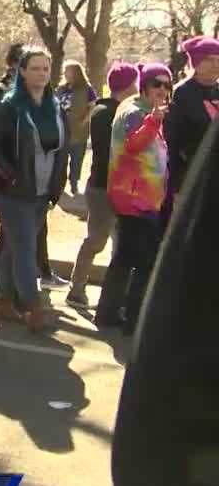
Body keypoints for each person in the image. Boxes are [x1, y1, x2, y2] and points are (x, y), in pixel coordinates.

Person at [0, 47, 69, 333]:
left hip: (43, 193)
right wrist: (12, 176)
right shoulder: (10, 106)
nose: (41, 74)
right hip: (13, 193)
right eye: (35, 68)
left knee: (14, 245)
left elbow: (62, 150)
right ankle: (33, 307)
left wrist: (58, 184)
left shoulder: (55, 107)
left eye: (45, 68)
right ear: (22, 71)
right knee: (25, 249)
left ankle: (3, 301)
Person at [95, 62, 173, 334]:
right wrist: (154, 121)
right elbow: (134, 144)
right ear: (144, 86)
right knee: (144, 261)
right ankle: (133, 318)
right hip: (133, 199)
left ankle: (107, 313)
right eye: (156, 84)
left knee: (125, 258)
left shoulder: (149, 111)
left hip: (146, 198)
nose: (162, 89)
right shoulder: (134, 111)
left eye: (167, 85)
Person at [67, 62, 139, 309]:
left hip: (123, 189)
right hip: (102, 188)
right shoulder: (107, 112)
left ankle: (115, 297)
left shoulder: (118, 109)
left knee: (121, 244)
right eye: (135, 84)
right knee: (97, 240)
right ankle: (76, 289)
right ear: (128, 86)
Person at [163, 36, 219, 219]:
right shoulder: (181, 94)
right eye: (209, 60)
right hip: (193, 178)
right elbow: (172, 143)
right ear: (195, 61)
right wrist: (177, 186)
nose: (216, 64)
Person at [57, 61, 97, 195]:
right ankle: (59, 186)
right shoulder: (61, 89)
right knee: (61, 160)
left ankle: (74, 184)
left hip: (79, 131)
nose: (65, 74)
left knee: (76, 160)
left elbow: (92, 106)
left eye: (68, 71)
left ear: (76, 73)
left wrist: (85, 120)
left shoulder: (86, 88)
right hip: (62, 130)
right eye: (65, 71)